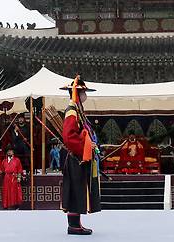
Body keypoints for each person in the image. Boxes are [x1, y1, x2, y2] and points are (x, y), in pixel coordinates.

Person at [60, 76, 101, 235]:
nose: (85, 95)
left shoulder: (77, 109)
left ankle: (76, 224)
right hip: (76, 157)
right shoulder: (71, 111)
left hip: (79, 156)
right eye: (83, 92)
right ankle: (74, 226)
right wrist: (84, 148)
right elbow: (69, 136)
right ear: (77, 93)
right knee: (75, 189)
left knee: (77, 189)